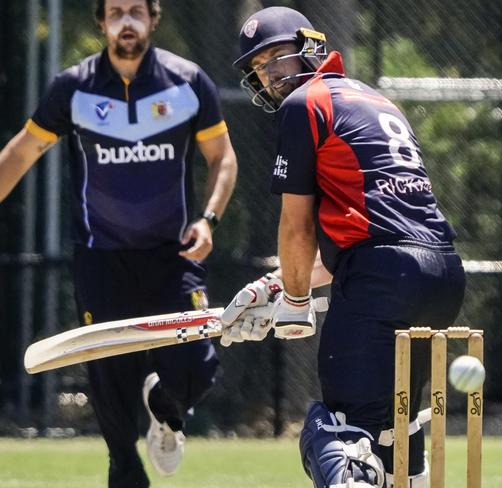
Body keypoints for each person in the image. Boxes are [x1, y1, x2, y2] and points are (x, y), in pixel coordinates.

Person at [221, 6, 466, 488]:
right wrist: (275, 286)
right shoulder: (376, 100)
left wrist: (294, 303)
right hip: (441, 276)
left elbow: (297, 227)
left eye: (278, 59)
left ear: (309, 48)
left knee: (333, 431)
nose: (271, 76)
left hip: (381, 279)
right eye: (260, 68)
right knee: (397, 430)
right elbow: (370, 230)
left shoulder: (304, 104)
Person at [0, 1, 237, 486]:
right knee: (111, 387)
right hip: (101, 258)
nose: (125, 21)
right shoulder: (72, 88)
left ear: (153, 18)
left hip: (174, 257)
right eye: (115, 12)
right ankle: (124, 470)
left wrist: (209, 220)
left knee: (197, 366)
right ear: (101, 22)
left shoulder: (187, 81)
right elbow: (22, 152)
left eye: (135, 11)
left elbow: (223, 158)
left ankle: (167, 408)